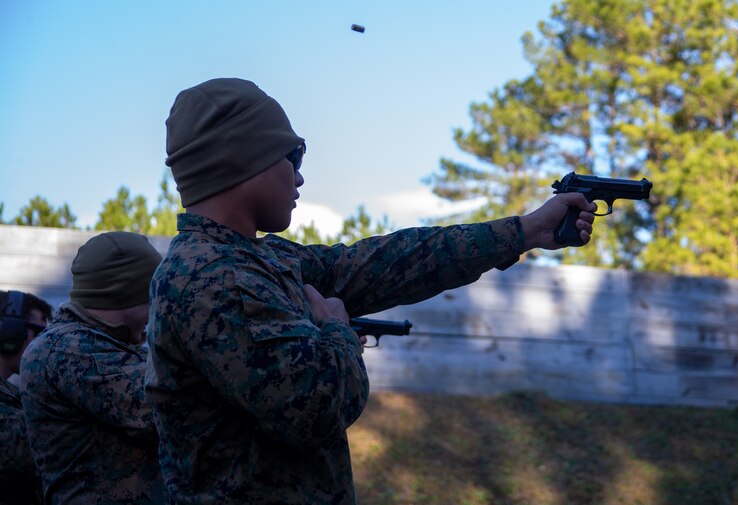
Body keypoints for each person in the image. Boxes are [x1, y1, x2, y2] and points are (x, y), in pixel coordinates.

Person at [145, 77, 597, 504]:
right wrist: (337, 332)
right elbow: (315, 407)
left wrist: (525, 231)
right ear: (244, 160)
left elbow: (387, 262)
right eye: (293, 157)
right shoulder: (214, 279)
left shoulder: (257, 261)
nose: (300, 178)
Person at [20, 232, 168, 505]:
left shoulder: (102, 342)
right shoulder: (67, 349)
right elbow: (168, 407)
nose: (159, 308)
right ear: (127, 295)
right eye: (155, 296)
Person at [0, 290, 52, 505]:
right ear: (9, 333)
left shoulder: (12, 396)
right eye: (38, 333)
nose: (43, 344)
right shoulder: (8, 414)